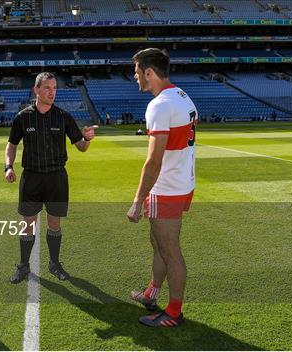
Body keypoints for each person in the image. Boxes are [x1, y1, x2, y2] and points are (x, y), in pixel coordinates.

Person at [126, 48, 197, 328]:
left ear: (149, 73)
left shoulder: (159, 105)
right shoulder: (181, 95)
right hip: (182, 182)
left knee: (169, 249)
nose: (135, 78)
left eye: (136, 73)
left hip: (167, 186)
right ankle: (151, 293)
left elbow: (153, 161)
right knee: (157, 242)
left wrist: (136, 200)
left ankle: (174, 312)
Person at [4, 72, 98, 284]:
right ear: (36, 89)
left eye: (54, 88)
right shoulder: (23, 117)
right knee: (28, 224)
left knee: (54, 224)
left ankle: (54, 264)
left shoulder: (63, 116)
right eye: (47, 88)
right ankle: (23, 266)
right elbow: (11, 145)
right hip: (32, 178)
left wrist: (87, 139)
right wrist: (8, 166)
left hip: (56, 178)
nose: (52, 92)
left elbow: (81, 147)